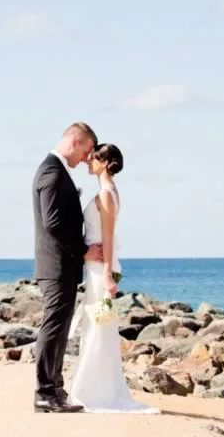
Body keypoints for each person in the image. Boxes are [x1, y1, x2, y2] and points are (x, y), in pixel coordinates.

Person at [68, 143, 159, 414]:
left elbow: (107, 236)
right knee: (96, 326)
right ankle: (93, 387)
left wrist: (107, 275)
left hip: (99, 268)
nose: (87, 162)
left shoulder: (107, 194)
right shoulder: (106, 192)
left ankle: (92, 391)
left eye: (93, 158)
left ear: (106, 162)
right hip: (95, 264)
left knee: (98, 326)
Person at [32, 122, 103, 413]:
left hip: (61, 265)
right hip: (57, 265)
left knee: (59, 327)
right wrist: (85, 249)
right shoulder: (52, 171)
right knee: (54, 326)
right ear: (75, 141)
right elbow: (54, 223)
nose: (86, 159)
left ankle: (53, 389)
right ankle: (45, 392)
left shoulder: (56, 171)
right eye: (86, 151)